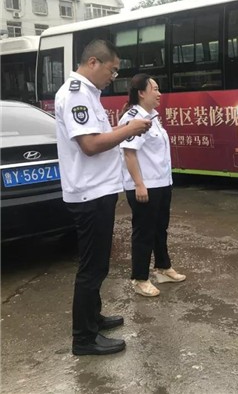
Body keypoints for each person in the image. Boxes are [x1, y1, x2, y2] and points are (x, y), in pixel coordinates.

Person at [54, 39, 152, 355]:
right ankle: (84, 339)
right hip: (89, 194)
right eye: (112, 70)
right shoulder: (76, 95)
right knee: (92, 268)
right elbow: (90, 145)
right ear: (93, 62)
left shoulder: (89, 94)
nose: (114, 77)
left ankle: (93, 319)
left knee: (98, 265)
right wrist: (130, 129)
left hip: (99, 190)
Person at [118, 74, 186, 298]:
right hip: (145, 185)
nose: (159, 93)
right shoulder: (133, 118)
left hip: (161, 183)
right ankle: (139, 279)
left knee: (159, 228)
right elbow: (129, 154)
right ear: (141, 93)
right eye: (154, 89)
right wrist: (139, 184)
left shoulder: (152, 117)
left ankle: (163, 268)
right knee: (144, 232)